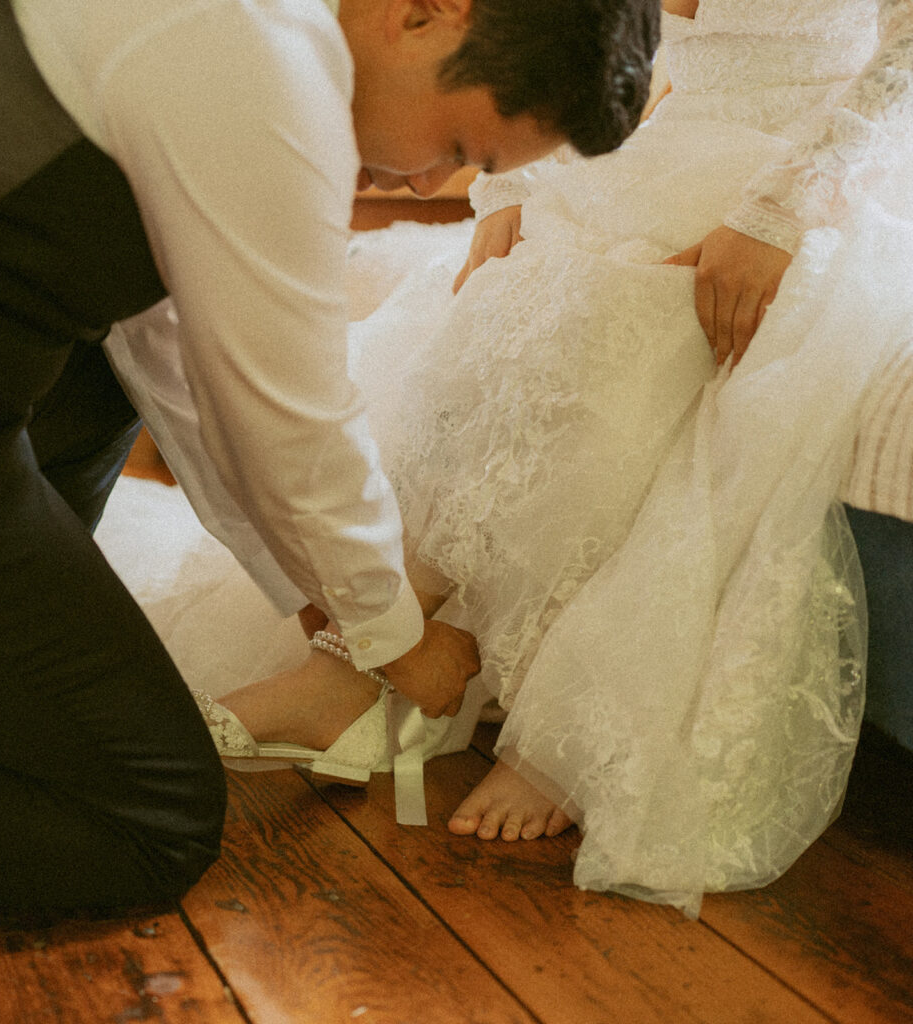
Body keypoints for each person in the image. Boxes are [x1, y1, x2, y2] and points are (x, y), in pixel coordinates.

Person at [105, 0, 913, 918]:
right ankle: (367, 661)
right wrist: (507, 187)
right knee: (513, 292)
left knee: (639, 312)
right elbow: (563, 34)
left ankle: (557, 729)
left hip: (827, 166)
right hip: (661, 141)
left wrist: (783, 208)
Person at [0, 0, 661, 911]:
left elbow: (178, 360)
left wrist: (317, 595)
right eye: (459, 148)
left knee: (96, 410)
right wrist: (395, 639)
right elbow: (286, 417)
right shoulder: (265, 64)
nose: (424, 185)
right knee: (154, 818)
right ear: (425, 15)